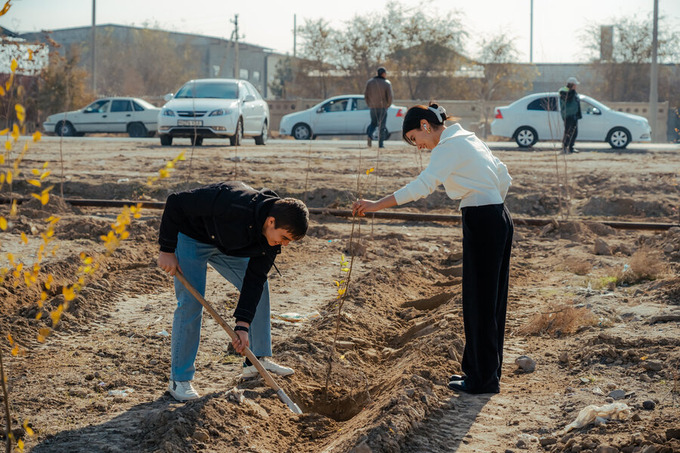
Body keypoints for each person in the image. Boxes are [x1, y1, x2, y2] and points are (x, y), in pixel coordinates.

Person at [352, 103, 513, 394]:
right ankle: (487, 373)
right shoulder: (467, 138)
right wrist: (491, 202)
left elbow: (422, 186)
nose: (419, 146)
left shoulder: (447, 148)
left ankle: (482, 379)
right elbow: (503, 175)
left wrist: (376, 205)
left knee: (479, 302)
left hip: (482, 218)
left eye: (415, 138)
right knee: (492, 300)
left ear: (425, 125)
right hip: (498, 215)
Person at [157, 181, 309, 402]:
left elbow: (254, 280)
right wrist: (167, 249)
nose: (284, 245)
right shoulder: (232, 203)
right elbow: (175, 202)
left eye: (289, 241)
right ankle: (179, 380)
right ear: (271, 221)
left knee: (261, 287)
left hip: (227, 245)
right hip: (192, 237)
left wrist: (242, 326)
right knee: (191, 302)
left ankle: (255, 360)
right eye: (284, 237)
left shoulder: (271, 240)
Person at [364, 67, 393, 149]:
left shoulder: (370, 82)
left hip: (373, 107)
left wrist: (369, 104)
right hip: (382, 107)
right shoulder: (386, 83)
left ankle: (369, 135)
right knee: (382, 126)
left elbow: (366, 95)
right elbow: (390, 96)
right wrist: (388, 105)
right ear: (383, 74)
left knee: (373, 123)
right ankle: (380, 144)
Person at [559, 76, 582, 154]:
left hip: (574, 116)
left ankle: (571, 148)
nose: (576, 86)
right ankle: (564, 147)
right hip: (568, 115)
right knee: (568, 132)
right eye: (575, 85)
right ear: (572, 85)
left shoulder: (574, 92)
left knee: (574, 132)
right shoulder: (564, 92)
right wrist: (572, 91)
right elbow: (568, 98)